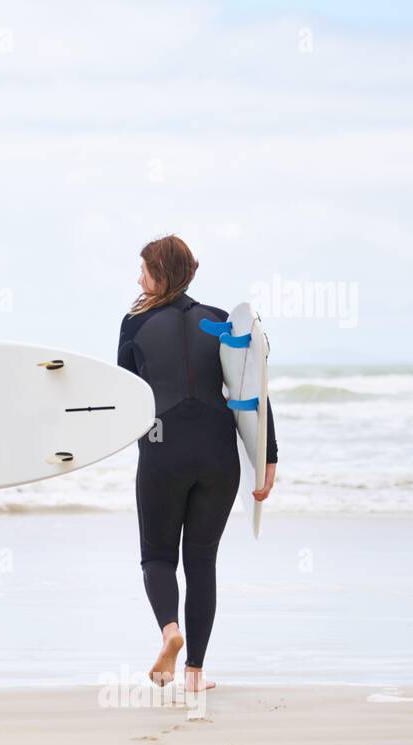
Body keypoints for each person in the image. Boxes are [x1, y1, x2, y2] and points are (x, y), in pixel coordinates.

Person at [117, 235, 278, 692]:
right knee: (201, 561)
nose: (138, 279)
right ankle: (195, 675)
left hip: (163, 446)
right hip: (217, 451)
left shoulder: (135, 324)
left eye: (144, 270)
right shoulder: (220, 321)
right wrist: (268, 457)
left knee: (158, 555)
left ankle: (170, 633)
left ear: (160, 274)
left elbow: (126, 394)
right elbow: (251, 391)